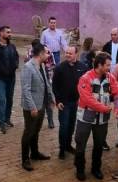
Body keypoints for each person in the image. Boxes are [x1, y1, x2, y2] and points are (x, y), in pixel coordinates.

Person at [73, 52, 118, 181]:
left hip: (102, 119)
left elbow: (117, 93)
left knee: (99, 144)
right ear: (99, 65)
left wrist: (117, 107)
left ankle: (96, 168)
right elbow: (87, 99)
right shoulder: (85, 78)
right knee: (80, 144)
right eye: (107, 65)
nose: (109, 68)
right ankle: (80, 168)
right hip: (86, 117)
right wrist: (105, 108)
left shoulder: (110, 77)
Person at [19, 42, 55, 171]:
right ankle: (25, 159)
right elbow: (26, 90)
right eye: (46, 52)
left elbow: (46, 84)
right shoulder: (28, 67)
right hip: (32, 107)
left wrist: (51, 98)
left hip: (42, 104)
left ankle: (34, 153)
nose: (48, 54)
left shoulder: (42, 65)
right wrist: (32, 107)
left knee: (36, 130)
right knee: (28, 132)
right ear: (40, 54)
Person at [52, 45, 86, 159]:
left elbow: (85, 85)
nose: (67, 55)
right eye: (66, 53)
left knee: (71, 125)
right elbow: (55, 86)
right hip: (64, 103)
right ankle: (62, 149)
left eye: (70, 53)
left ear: (76, 54)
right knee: (64, 126)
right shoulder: (59, 68)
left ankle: (68, 145)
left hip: (77, 103)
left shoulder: (83, 67)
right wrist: (58, 101)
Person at [27, 41, 57, 130]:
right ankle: (36, 119)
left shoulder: (47, 51)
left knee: (48, 98)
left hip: (46, 77)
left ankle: (50, 120)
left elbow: (53, 64)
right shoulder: (30, 53)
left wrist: (49, 76)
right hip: (35, 79)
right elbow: (28, 64)